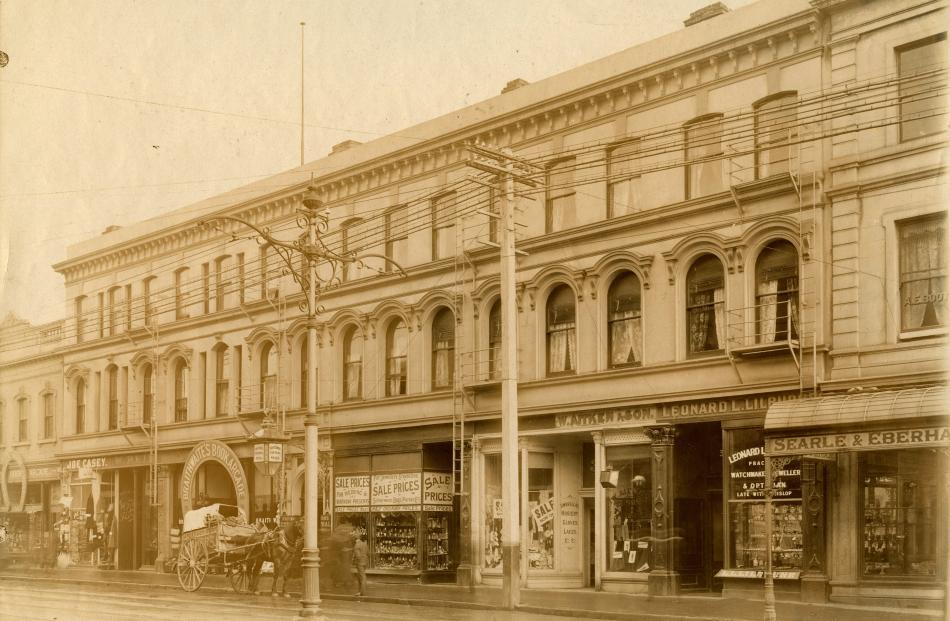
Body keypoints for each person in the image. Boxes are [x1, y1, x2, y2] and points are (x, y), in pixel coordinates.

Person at [352, 533, 368, 597]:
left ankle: (362, 592)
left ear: (355, 539)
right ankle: (359, 591)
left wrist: (354, 561)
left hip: (360, 563)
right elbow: (367, 552)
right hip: (365, 562)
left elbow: (358, 556)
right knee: (360, 577)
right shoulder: (364, 544)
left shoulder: (356, 545)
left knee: (362, 577)